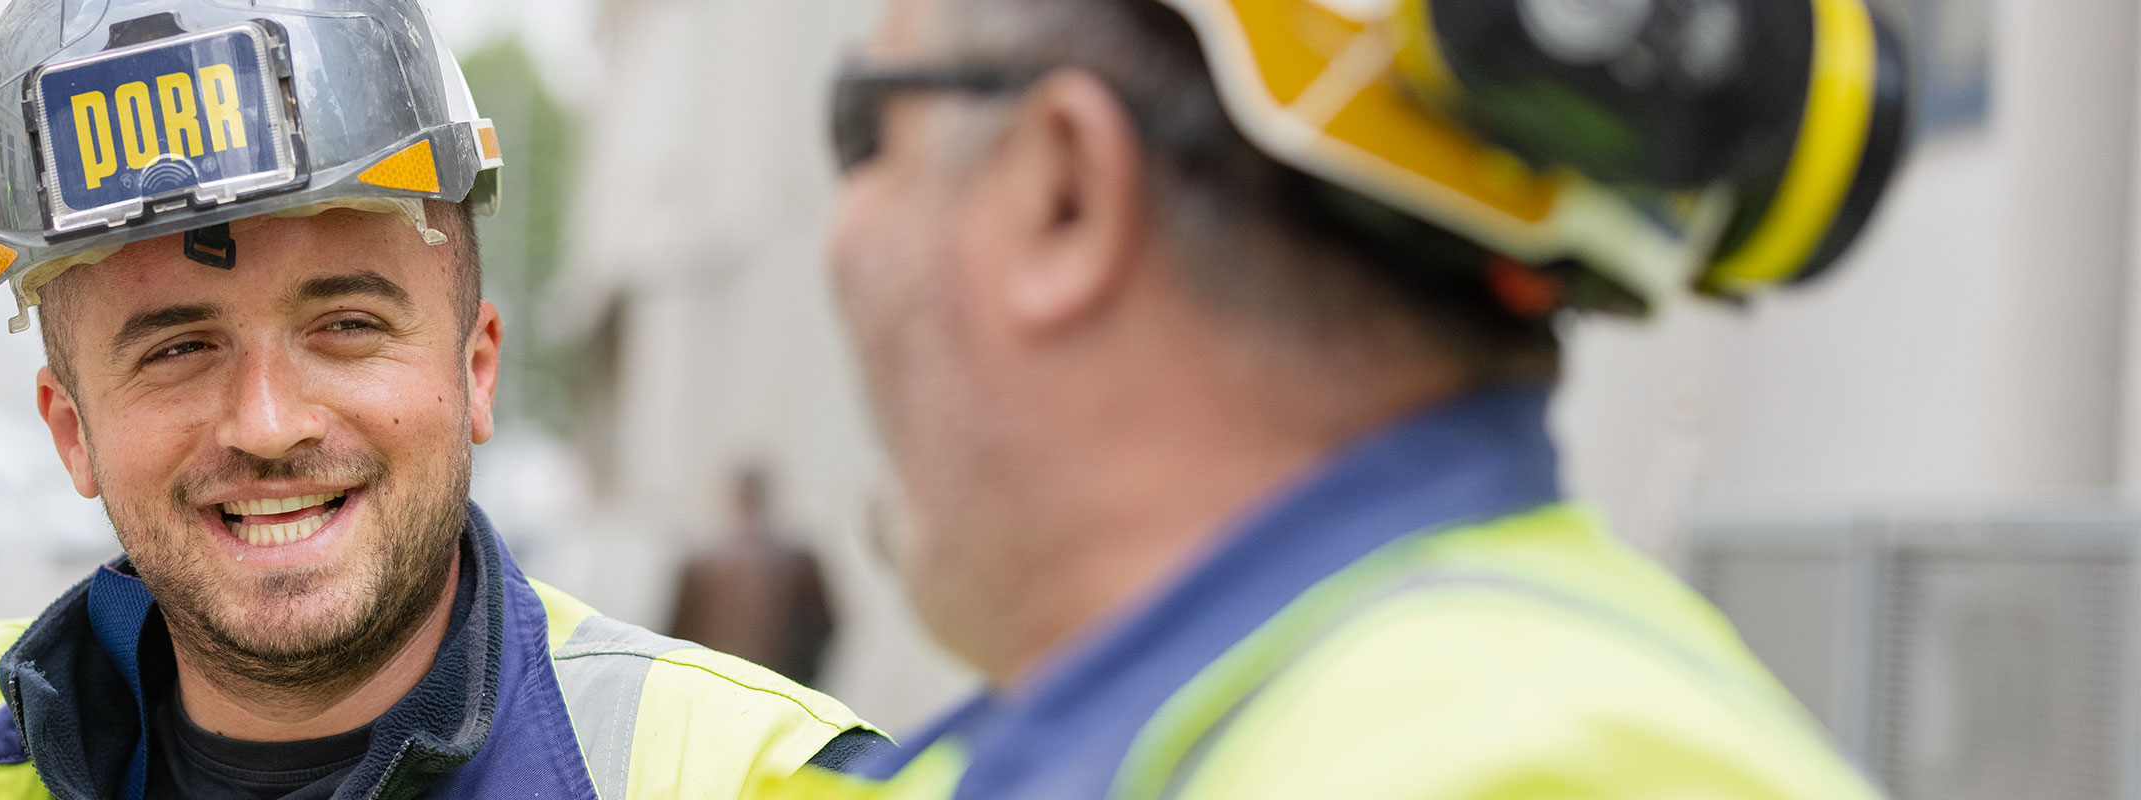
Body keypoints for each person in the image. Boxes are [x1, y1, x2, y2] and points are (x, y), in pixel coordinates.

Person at [0, 1, 885, 797]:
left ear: (475, 370)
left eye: (346, 326)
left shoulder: (761, 777)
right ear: (71, 430)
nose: (268, 420)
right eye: (179, 347)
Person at [789, 0, 1911, 796]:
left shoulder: (1507, 769)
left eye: (865, 133)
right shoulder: (1234, 726)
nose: (843, 235)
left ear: (1065, 191)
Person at [664, 470, 837, 683]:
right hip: (776, 683)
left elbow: (675, 636)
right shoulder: (796, 559)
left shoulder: (701, 561)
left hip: (718, 682)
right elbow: (826, 627)